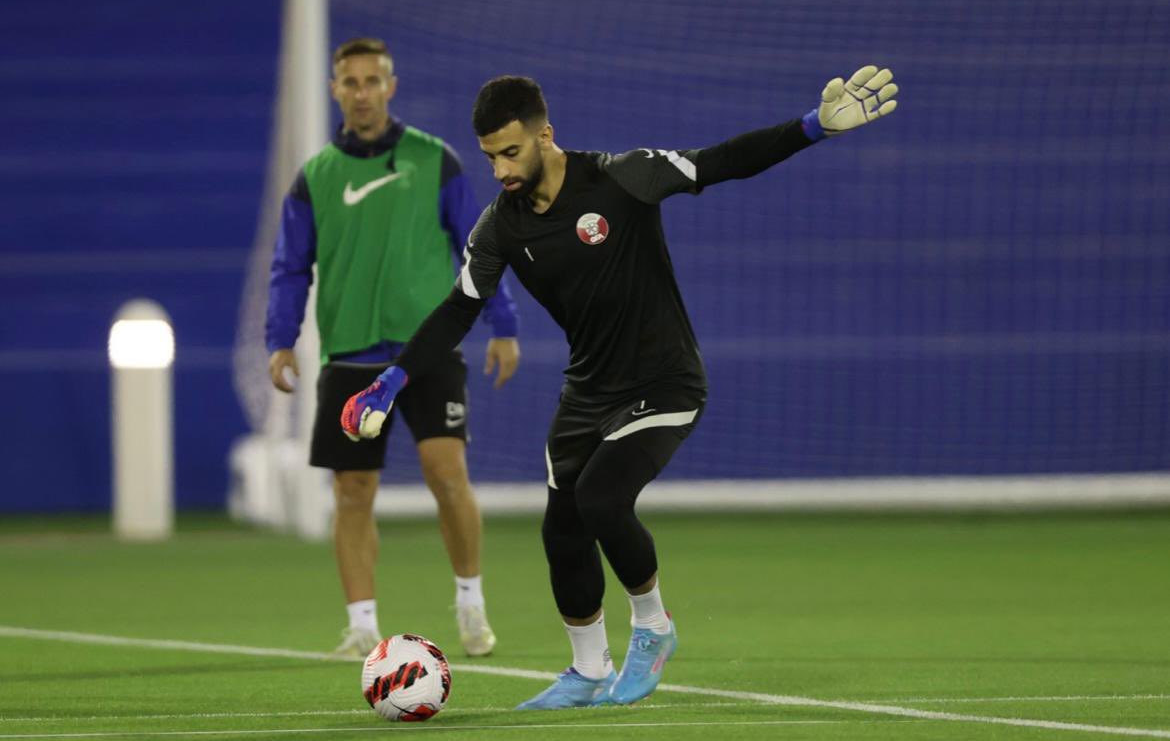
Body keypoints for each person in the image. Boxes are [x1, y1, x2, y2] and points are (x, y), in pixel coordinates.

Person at [342, 66, 897, 705]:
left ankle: (654, 628)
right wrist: (394, 377)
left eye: (511, 152)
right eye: (491, 158)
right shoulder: (500, 226)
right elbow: (458, 309)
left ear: (545, 134)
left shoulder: (623, 176)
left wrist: (813, 128)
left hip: (665, 383)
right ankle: (588, 670)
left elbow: (723, 161)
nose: (500, 170)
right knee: (563, 531)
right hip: (588, 394)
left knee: (602, 497)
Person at [266, 37, 520, 659]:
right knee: (352, 492)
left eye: (372, 80)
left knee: (446, 473)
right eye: (349, 82)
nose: (361, 92)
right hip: (350, 357)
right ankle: (360, 624)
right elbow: (290, 267)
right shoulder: (315, 177)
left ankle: (470, 604)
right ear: (335, 91)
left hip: (426, 352)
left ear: (391, 86)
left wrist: (503, 323)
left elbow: (480, 246)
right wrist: (280, 340)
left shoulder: (434, 161)